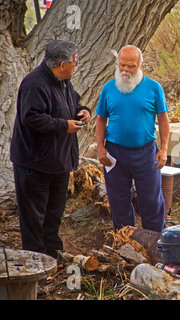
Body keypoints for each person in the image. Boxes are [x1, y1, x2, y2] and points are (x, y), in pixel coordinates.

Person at [10, 40, 91, 259]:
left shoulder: (64, 80)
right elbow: (31, 117)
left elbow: (71, 104)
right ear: (62, 64)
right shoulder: (34, 84)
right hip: (34, 164)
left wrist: (83, 111)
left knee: (54, 212)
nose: (77, 64)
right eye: (75, 61)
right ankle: (35, 260)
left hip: (59, 162)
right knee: (34, 216)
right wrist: (64, 125)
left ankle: (54, 255)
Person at [96, 45, 170, 232]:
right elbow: (100, 119)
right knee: (118, 200)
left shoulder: (154, 88)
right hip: (115, 152)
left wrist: (164, 149)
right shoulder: (109, 88)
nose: (125, 70)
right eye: (122, 65)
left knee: (151, 200)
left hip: (146, 152)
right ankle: (125, 243)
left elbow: (163, 119)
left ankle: (155, 243)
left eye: (131, 66)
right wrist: (100, 147)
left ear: (141, 64)